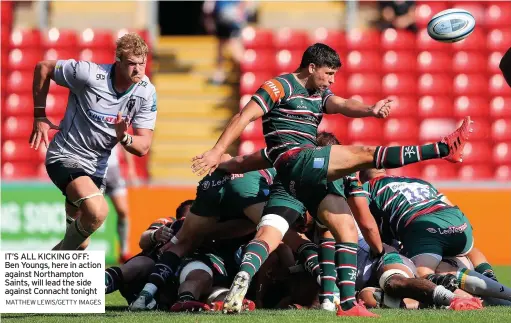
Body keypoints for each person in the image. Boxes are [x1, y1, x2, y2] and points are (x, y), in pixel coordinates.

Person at [191, 43, 472, 315]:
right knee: (365, 153)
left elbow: (343, 104)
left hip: (291, 176)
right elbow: (244, 116)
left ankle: (333, 301)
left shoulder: (319, 93)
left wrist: (371, 110)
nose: (331, 79)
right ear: (311, 67)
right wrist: (218, 150)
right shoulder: (279, 86)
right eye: (328, 73)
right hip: (298, 158)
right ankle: (443, 148)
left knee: (333, 229)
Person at [30, 32, 157, 251]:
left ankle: (49, 271)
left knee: (82, 243)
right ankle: (53, 262)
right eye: (131, 64)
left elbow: (143, 146)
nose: (137, 70)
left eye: (142, 64)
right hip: (65, 155)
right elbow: (43, 67)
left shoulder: (146, 92)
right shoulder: (89, 73)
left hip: (97, 168)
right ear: (117, 61)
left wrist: (123, 137)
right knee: (99, 211)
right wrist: (39, 115)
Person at [358, 168, 511, 303]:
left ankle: (471, 302)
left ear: (361, 176)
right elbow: (449, 204)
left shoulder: (368, 188)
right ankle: (493, 283)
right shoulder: (417, 181)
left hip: (422, 225)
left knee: (422, 276)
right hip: (458, 220)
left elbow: (370, 226)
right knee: (467, 251)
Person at [106, 144, 139, 263]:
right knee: (90, 214)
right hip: (94, 170)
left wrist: (131, 168)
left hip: (113, 171)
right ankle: (79, 250)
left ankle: (124, 251)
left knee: (123, 211)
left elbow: (125, 142)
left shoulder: (115, 124)